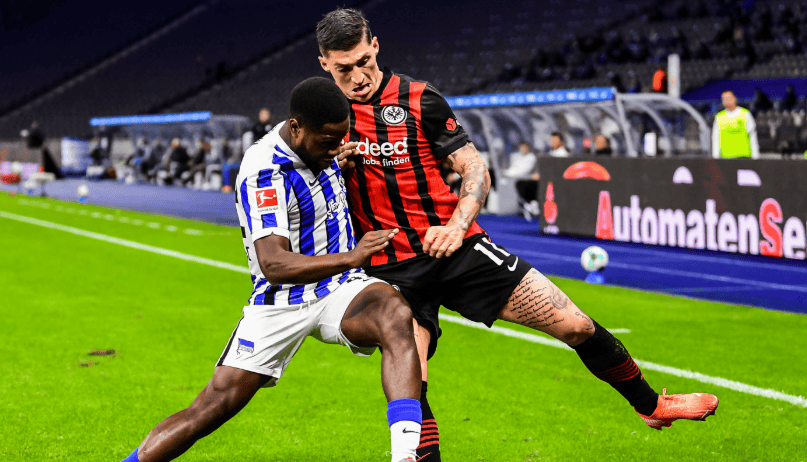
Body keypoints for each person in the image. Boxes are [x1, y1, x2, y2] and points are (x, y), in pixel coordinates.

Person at [317, 8, 719, 461]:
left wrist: (457, 225)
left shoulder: (418, 98)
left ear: (375, 47)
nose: (358, 77)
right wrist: (330, 168)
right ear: (325, 64)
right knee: (411, 377)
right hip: (389, 269)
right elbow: (300, 187)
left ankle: (652, 405)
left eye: (363, 62)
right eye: (344, 69)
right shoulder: (322, 116)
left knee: (576, 323)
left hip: (456, 248)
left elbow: (474, 166)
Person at [119, 78, 424, 462]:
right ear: (296, 128)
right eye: (328, 142)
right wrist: (352, 256)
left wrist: (338, 165)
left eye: (340, 140)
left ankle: (405, 455)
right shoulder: (265, 172)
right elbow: (274, 263)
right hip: (282, 300)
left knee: (395, 314)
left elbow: (320, 182)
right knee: (209, 409)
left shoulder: (319, 149)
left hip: (339, 288)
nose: (336, 148)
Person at [712, 90, 760, 159]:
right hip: (726, 158)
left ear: (735, 99)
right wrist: (715, 157)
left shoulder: (745, 114)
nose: (727, 100)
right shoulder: (719, 117)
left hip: (744, 157)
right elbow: (716, 138)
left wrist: (755, 156)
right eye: (724, 99)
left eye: (729, 98)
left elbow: (752, 136)